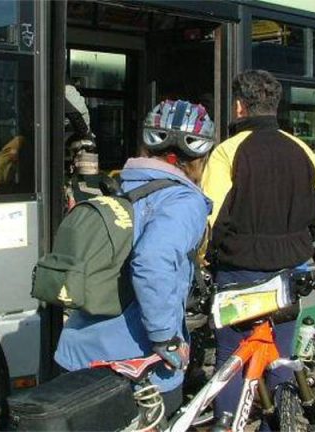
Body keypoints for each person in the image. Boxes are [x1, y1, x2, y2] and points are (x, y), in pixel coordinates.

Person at [55, 99, 215, 417]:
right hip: (134, 368)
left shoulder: (123, 187)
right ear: (200, 157)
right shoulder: (184, 201)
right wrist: (166, 339)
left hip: (80, 351)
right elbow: (152, 261)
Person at [200, 70, 315, 429]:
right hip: (292, 271)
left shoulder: (227, 151)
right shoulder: (301, 149)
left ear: (240, 106)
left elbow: (210, 220)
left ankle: (226, 425)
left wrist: (202, 262)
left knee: (231, 357)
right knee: (280, 357)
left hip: (240, 271)